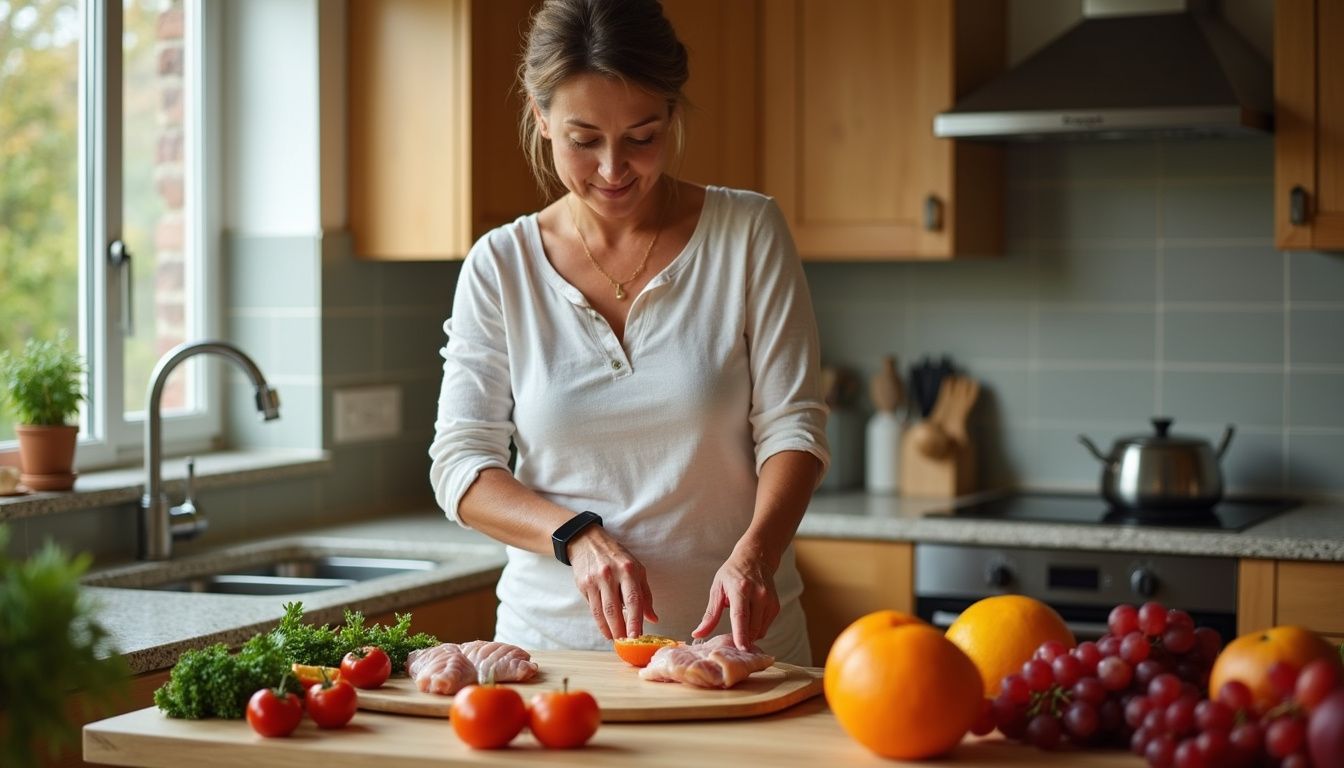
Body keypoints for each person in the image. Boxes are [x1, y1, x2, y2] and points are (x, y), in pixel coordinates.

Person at [428, 0, 828, 666]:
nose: (614, 169)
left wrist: (757, 551)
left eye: (642, 136)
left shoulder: (748, 233)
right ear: (541, 118)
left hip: (739, 649)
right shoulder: (501, 266)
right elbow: (461, 466)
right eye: (584, 140)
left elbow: (795, 428)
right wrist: (575, 536)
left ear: (673, 114)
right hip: (554, 655)